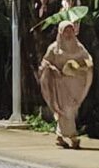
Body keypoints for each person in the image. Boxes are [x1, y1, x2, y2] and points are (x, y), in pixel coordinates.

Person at [37, 22, 95, 150]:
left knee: (71, 110)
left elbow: (88, 60)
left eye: (71, 31)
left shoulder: (79, 47)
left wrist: (81, 67)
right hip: (60, 85)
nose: (68, 34)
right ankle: (73, 137)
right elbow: (45, 63)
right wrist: (53, 69)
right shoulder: (54, 48)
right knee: (66, 110)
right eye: (66, 31)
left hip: (75, 85)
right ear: (60, 32)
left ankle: (59, 136)